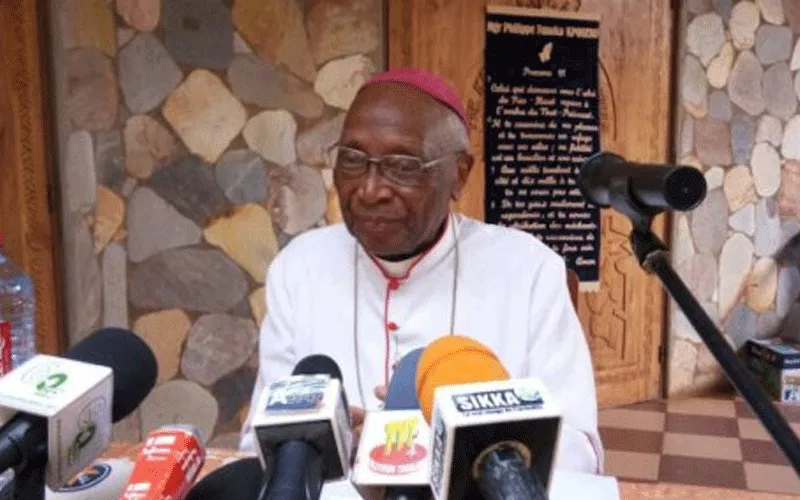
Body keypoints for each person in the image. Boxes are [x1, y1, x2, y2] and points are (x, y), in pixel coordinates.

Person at [240, 67, 604, 475]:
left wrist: (446, 447)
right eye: (353, 160)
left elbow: (576, 448)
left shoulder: (529, 271)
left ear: (459, 175)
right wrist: (329, 446)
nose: (370, 189)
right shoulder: (299, 268)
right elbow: (259, 436)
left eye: (403, 166)